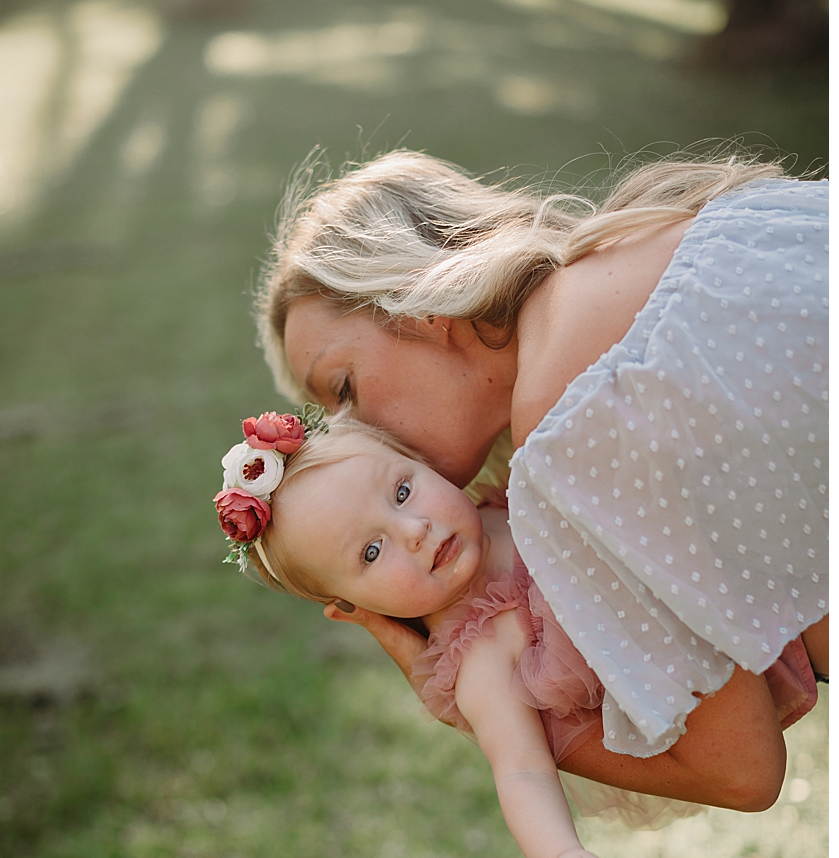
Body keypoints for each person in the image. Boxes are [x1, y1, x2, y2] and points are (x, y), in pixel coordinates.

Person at [255, 150, 827, 808]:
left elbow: (740, 772)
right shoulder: (663, 231)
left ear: (414, 300)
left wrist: (480, 712)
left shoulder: (566, 429)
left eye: (344, 389)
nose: (353, 436)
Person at [214, 409, 814, 858]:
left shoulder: (520, 493)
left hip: (745, 580)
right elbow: (521, 770)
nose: (415, 530)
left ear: (425, 467)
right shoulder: (481, 657)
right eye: (372, 551)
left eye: (402, 491)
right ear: (354, 608)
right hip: (740, 669)